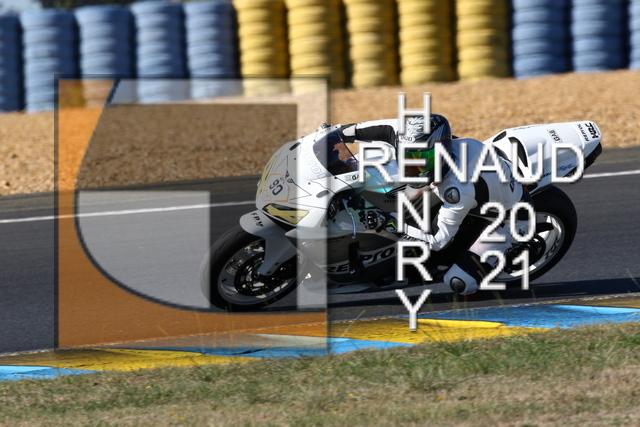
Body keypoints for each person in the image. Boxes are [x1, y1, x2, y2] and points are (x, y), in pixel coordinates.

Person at [330, 114, 532, 296]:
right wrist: (336, 132)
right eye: (407, 156)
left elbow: (438, 240)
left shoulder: (458, 188)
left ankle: (506, 250)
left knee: (460, 283)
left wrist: (387, 224)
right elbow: (375, 129)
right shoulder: (413, 137)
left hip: (509, 219)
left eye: (421, 159)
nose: (413, 167)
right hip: (486, 185)